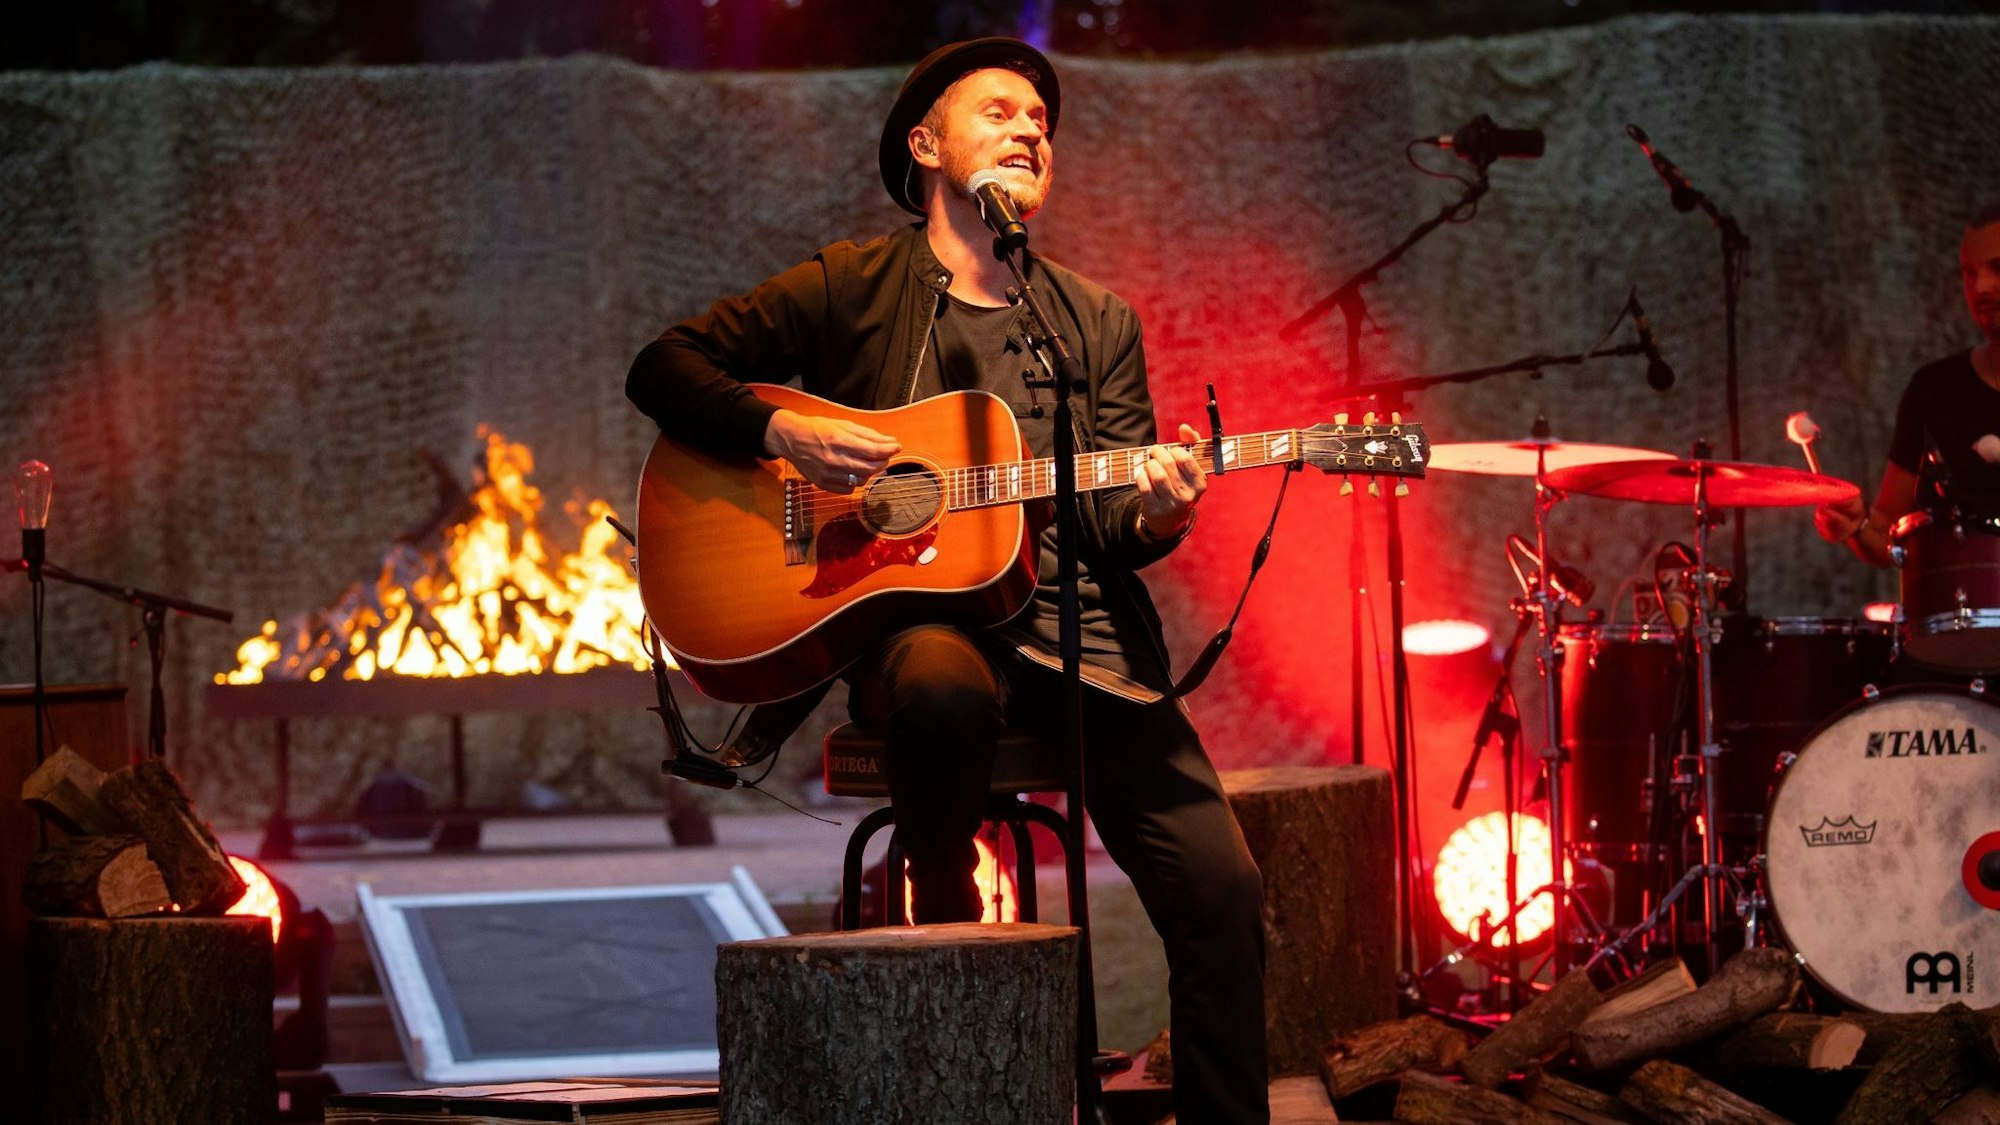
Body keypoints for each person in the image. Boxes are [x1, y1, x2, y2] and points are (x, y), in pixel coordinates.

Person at [625, 38, 1269, 1123]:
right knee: (936, 682)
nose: (1031, 130)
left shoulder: (1092, 322)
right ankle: (945, 914)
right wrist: (782, 426)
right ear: (926, 146)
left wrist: (1155, 509)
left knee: (1224, 890)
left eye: (1044, 123)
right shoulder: (852, 286)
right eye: (1003, 111)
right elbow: (664, 365)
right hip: (922, 626)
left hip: (1082, 644)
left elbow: (1111, 520)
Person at [1817, 205, 2000, 560]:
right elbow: (1890, 536)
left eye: (1998, 268)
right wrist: (1858, 525)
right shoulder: (1934, 389)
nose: (1981, 287)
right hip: (1967, 611)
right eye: (1969, 273)